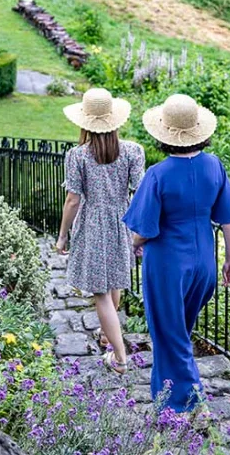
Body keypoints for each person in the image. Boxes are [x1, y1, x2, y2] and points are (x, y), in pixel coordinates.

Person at [123, 94, 230, 412]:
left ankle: (186, 400)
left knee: (170, 334)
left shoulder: (158, 174)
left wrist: (134, 246)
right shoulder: (214, 166)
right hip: (204, 264)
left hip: (167, 266)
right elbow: (228, 217)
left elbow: (143, 231)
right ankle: (163, 392)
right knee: (176, 332)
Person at [56, 88, 145, 375]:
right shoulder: (133, 151)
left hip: (92, 223)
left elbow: (73, 199)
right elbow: (140, 192)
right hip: (122, 221)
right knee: (114, 282)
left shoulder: (77, 156)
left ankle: (119, 358)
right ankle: (108, 334)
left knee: (101, 293)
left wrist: (62, 235)